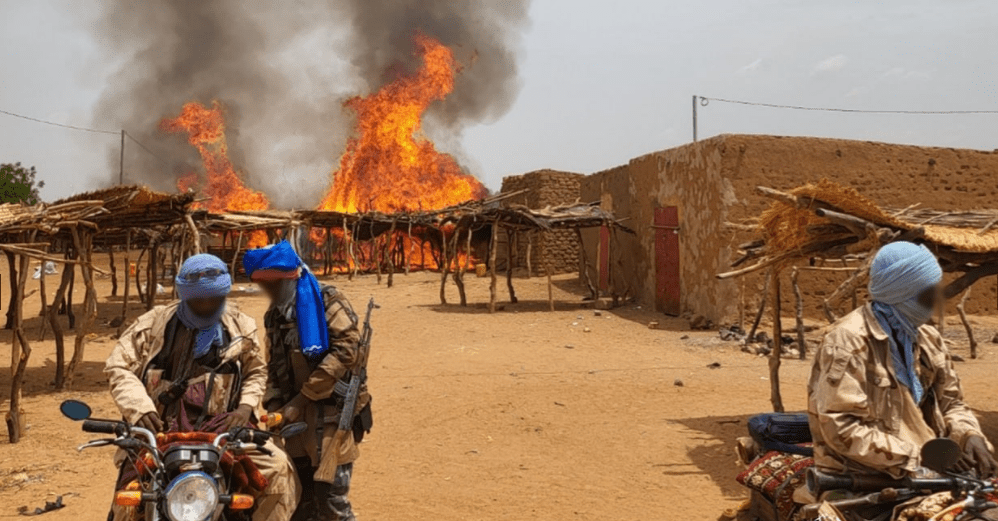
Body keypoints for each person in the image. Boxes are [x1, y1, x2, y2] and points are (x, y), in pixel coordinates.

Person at [104, 254, 298, 521]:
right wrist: (140, 408)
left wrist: (245, 408)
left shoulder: (241, 326)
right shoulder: (153, 325)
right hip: (161, 429)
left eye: (214, 299)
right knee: (129, 500)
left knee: (278, 469)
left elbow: (255, 371)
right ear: (185, 295)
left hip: (223, 428)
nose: (207, 306)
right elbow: (118, 367)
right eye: (199, 301)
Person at [808, 242, 996, 482]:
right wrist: (918, 456)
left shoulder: (928, 339)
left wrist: (969, 435)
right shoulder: (848, 341)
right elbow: (841, 428)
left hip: (927, 468)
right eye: (928, 294)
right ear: (901, 294)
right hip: (864, 473)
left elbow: (952, 403)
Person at [243, 241, 371, 521]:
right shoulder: (274, 315)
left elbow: (348, 351)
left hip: (335, 415)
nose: (269, 292)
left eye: (273, 285)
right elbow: (274, 365)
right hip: (296, 423)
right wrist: (275, 406)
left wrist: (301, 400)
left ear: (289, 279)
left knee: (331, 500)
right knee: (300, 499)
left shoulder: (327, 301)